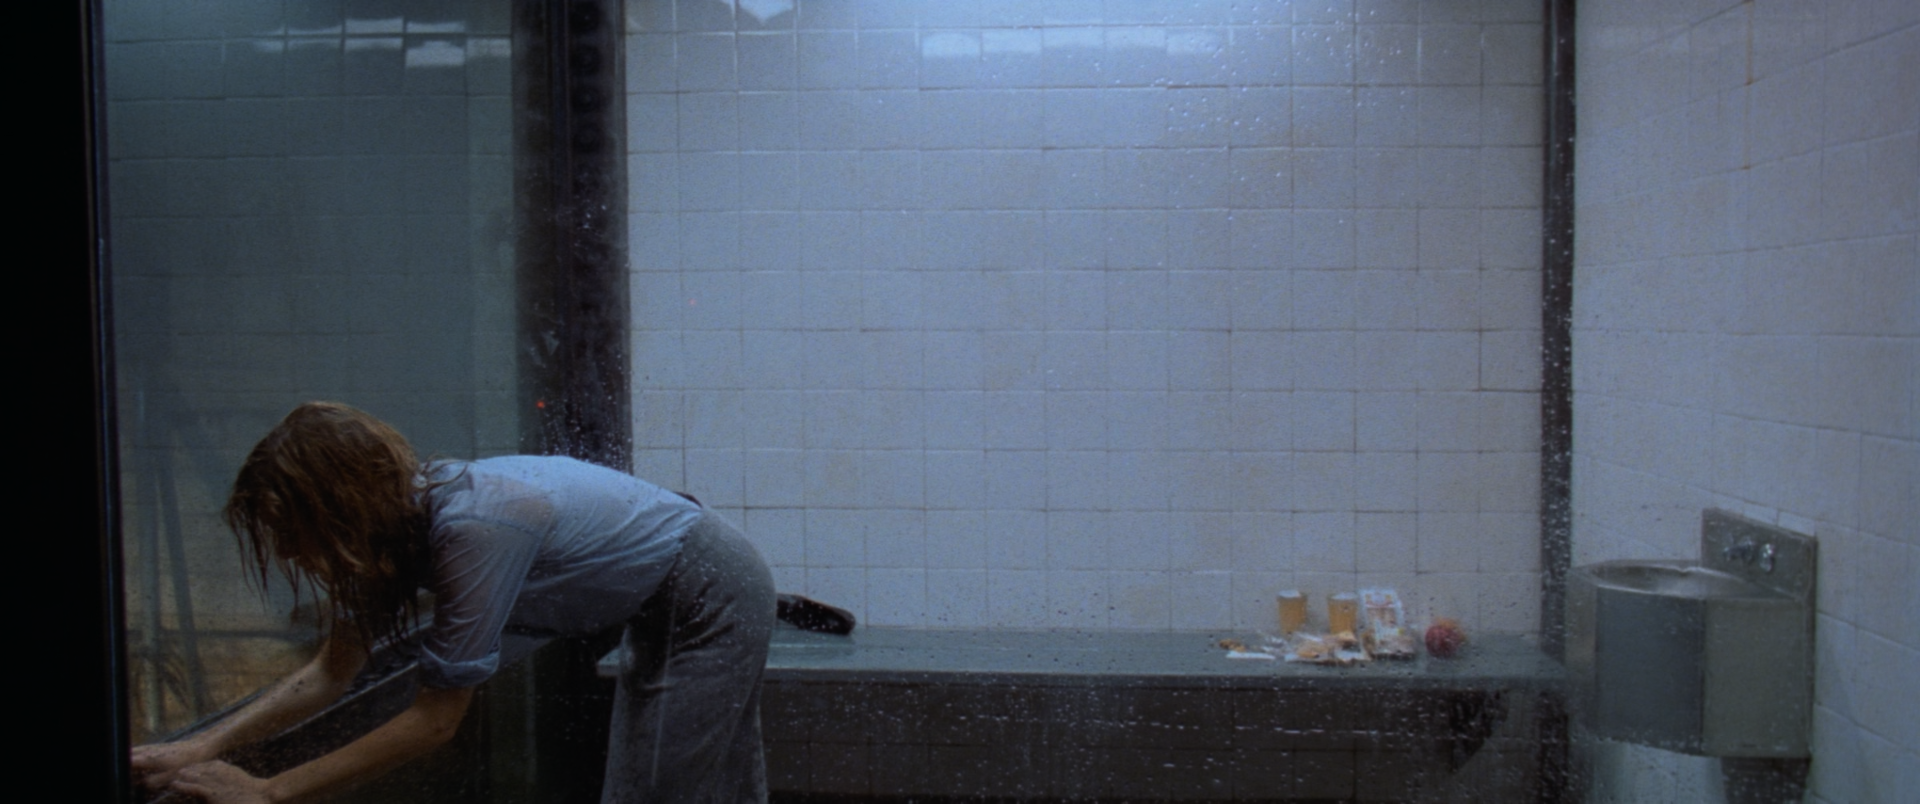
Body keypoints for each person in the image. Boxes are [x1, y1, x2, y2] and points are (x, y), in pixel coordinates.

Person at [131, 402, 775, 803]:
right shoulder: (388, 534)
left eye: (289, 529)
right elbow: (331, 673)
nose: (287, 552)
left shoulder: (475, 527)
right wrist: (200, 747)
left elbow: (436, 722)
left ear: (338, 509)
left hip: (709, 591)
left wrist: (268, 793)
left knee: (655, 789)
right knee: (712, 783)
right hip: (658, 588)